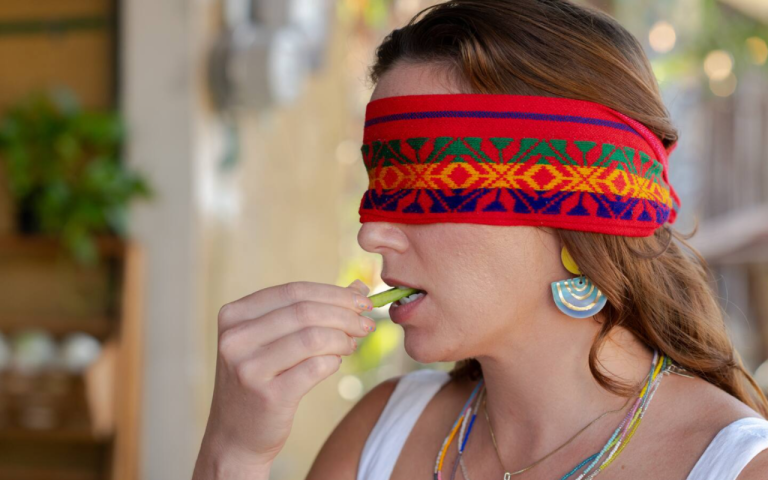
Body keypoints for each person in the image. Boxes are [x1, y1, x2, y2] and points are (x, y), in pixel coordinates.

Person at [192, 1, 768, 479]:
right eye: (379, 184)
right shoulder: (379, 436)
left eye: (425, 190)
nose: (371, 232)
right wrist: (235, 452)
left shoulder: (736, 466)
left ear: (579, 209)